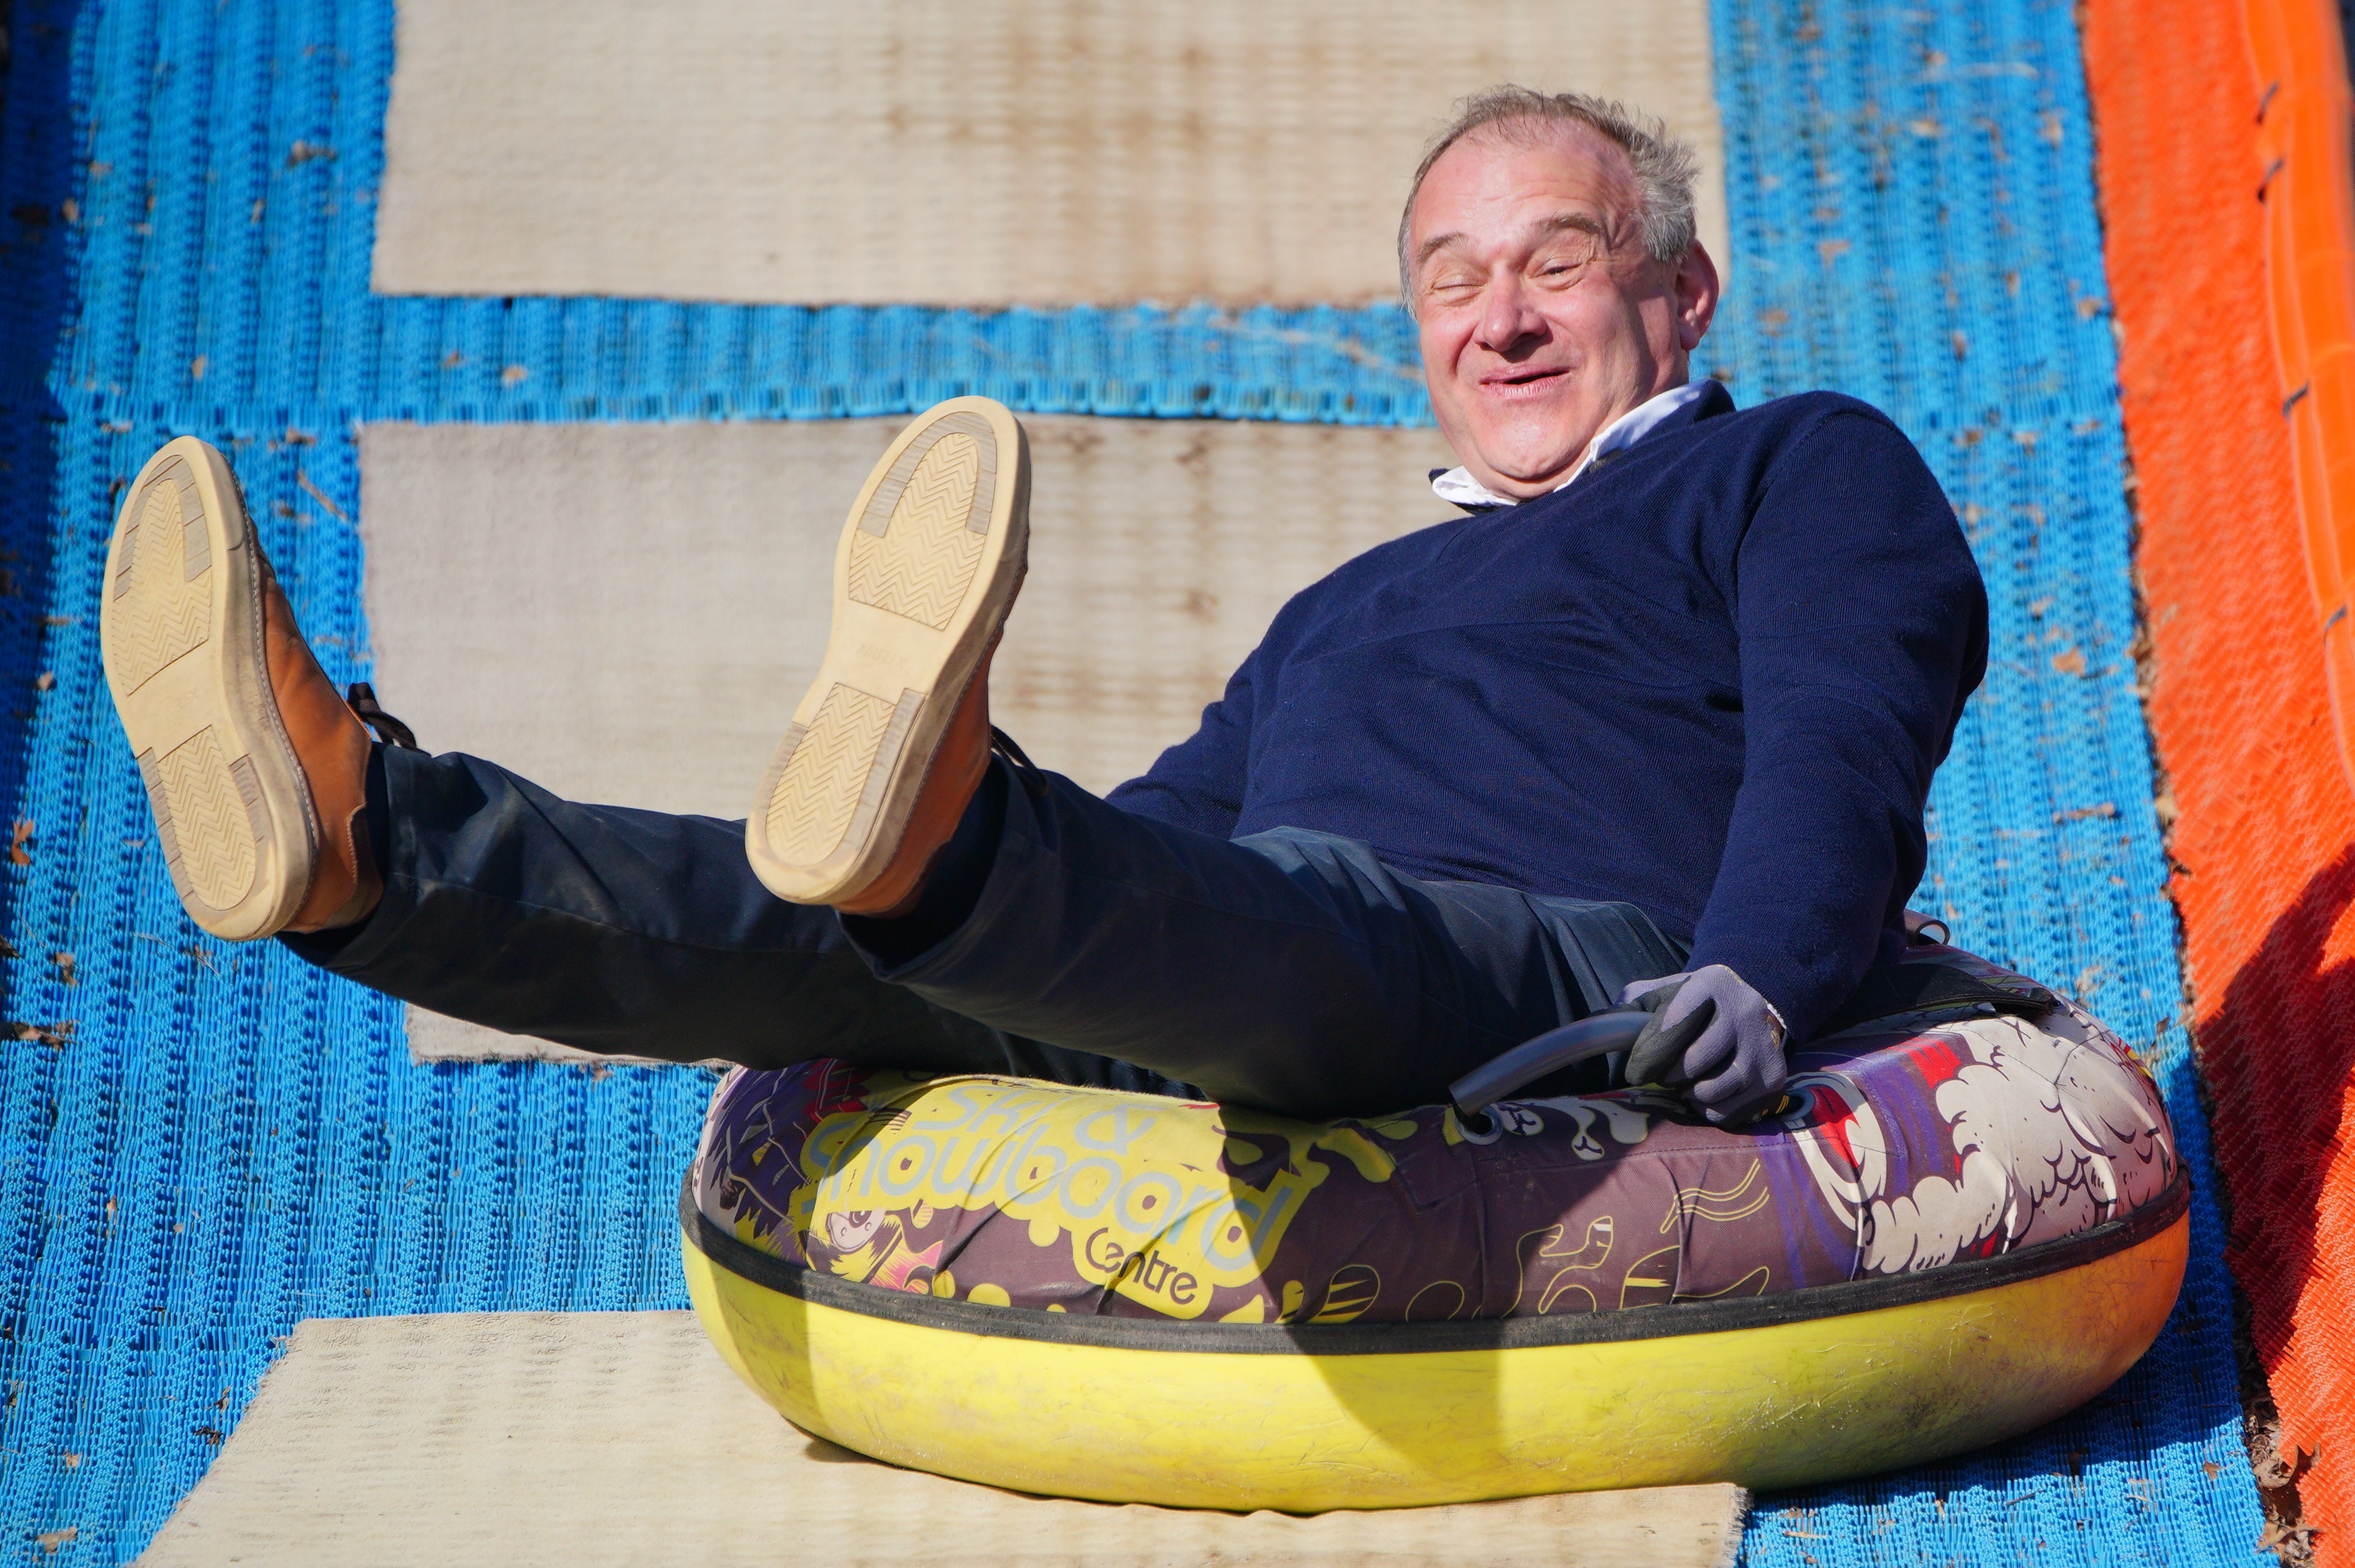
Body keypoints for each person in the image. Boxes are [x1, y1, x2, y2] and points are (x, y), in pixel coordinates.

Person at [98, 87, 1986, 1126]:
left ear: (1686, 288)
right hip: (1267, 936)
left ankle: (951, 838)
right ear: (1414, 329)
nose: (1498, 318)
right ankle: (377, 842)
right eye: (1449, 279)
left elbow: (1844, 739)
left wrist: (1751, 968)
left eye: (1556, 265)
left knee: (1295, 917)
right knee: (849, 918)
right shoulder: (1354, 601)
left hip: (1568, 960)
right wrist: (1017, 874)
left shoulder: (1795, 465)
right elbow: (1165, 841)